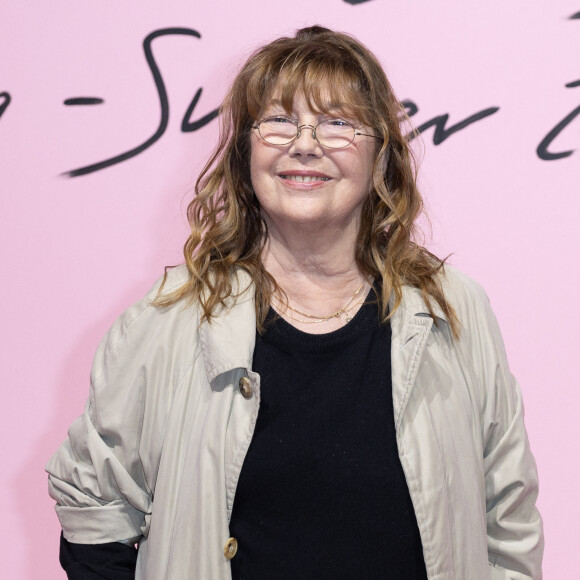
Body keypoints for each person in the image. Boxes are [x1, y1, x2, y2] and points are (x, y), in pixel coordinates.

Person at [46, 26, 543, 580]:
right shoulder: (167, 320)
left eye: (336, 122)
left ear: (382, 153)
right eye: (279, 120)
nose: (304, 143)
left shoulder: (455, 310)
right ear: (245, 153)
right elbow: (94, 512)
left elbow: (508, 520)